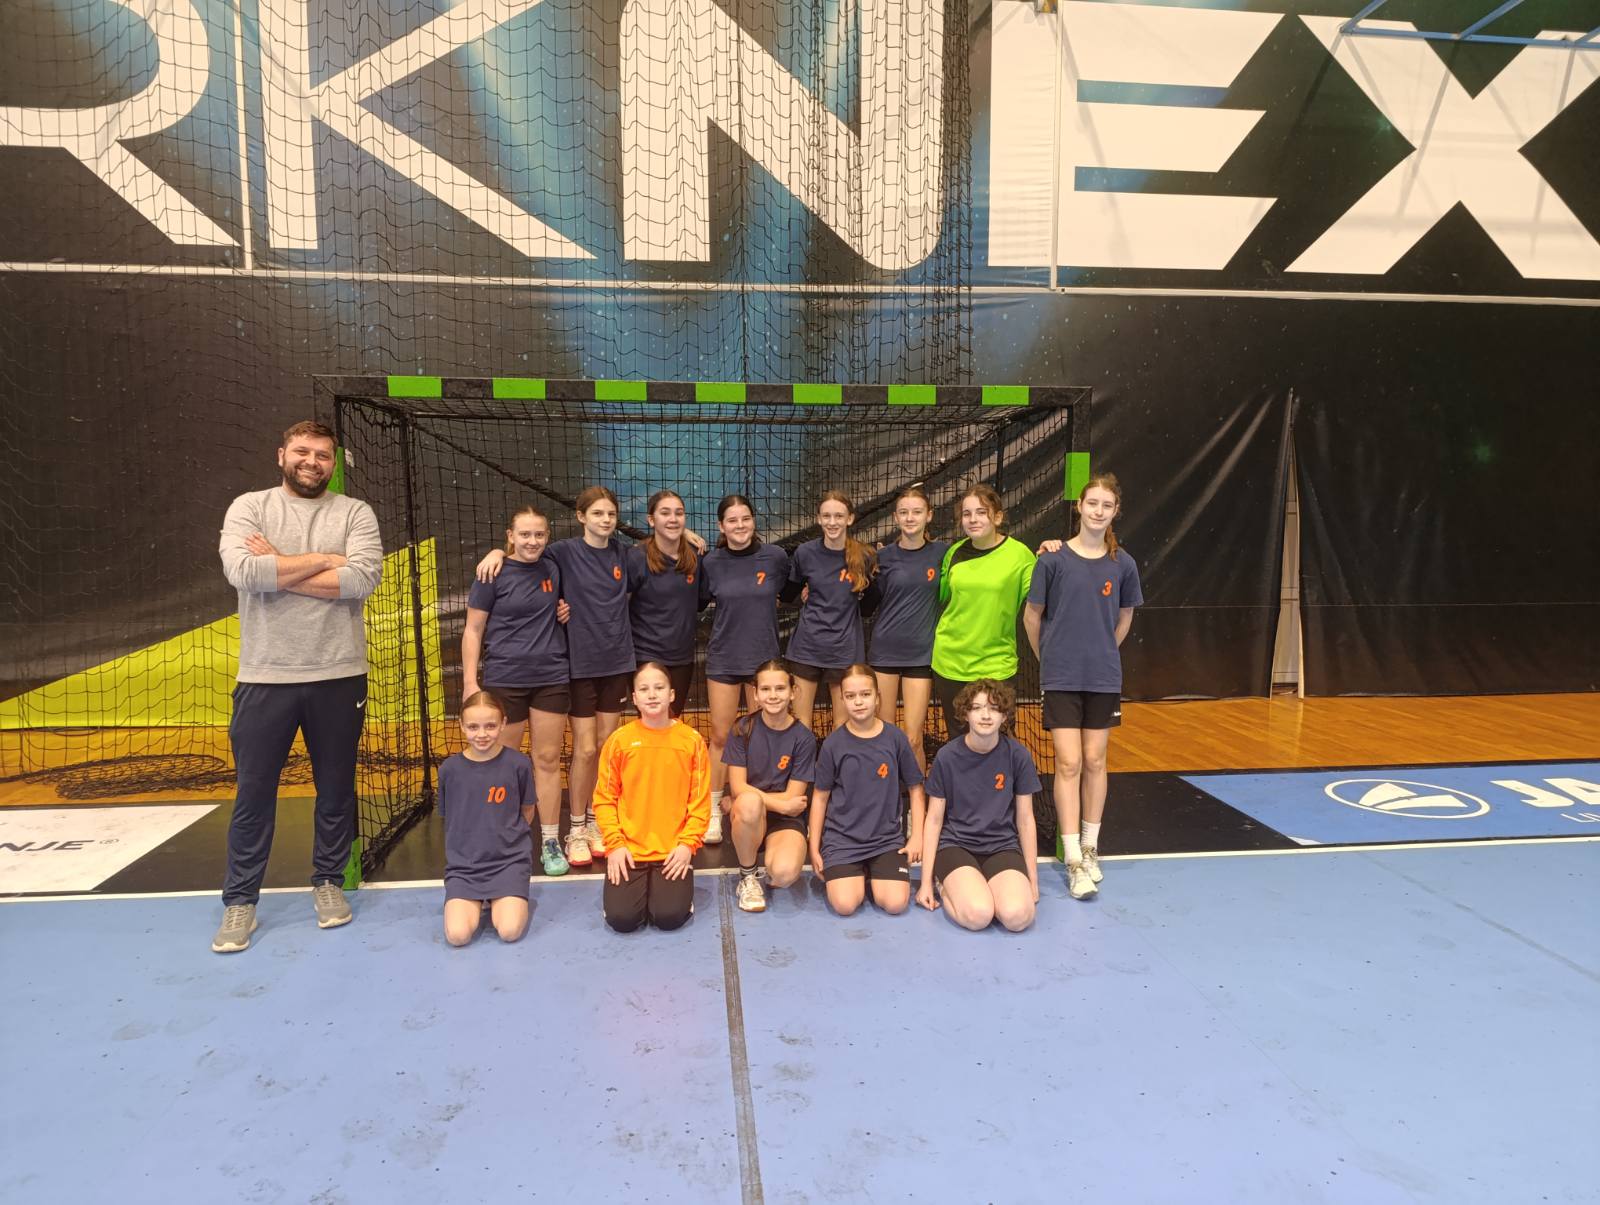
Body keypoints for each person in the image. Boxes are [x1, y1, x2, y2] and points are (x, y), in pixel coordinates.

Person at [212, 420, 383, 953]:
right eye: (302, 452)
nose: (312, 462)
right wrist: (324, 560)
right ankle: (241, 900)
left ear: (333, 463)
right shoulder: (250, 507)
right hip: (266, 676)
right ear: (281, 454)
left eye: (323, 455)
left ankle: (328, 881)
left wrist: (279, 566)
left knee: (336, 787)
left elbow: (360, 580)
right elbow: (245, 574)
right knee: (254, 793)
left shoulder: (354, 513)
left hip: (339, 674)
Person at [479, 486, 632, 869]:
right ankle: (561, 830)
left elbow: (660, 548)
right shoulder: (559, 553)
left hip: (607, 665)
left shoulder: (623, 554)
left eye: (611, 514)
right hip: (570, 667)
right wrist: (498, 552)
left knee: (597, 749)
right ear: (580, 517)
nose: (605, 520)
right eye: (597, 513)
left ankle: (591, 823)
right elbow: (521, 556)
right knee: (575, 751)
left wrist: (688, 536)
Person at [1024, 474, 1141, 900]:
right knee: (1069, 762)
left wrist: (1102, 652)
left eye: (1106, 505)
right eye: (1092, 503)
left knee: (1095, 760)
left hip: (1103, 677)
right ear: (1079, 505)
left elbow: (1125, 618)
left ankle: (1091, 848)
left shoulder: (1123, 564)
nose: (1098, 511)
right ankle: (1072, 857)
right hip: (1061, 677)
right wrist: (1050, 659)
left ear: (1115, 512)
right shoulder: (1052, 560)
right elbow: (1032, 617)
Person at [461, 505, 571, 877]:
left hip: (551, 676)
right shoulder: (491, 572)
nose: (532, 541)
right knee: (504, 763)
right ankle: (504, 841)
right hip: (505, 678)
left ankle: (551, 841)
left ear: (547, 537)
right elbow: (473, 630)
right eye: (524, 534)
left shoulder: (553, 567)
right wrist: (470, 683)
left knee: (547, 760)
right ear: (510, 536)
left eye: (539, 534)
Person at [699, 494, 793, 843]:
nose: (740, 526)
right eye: (732, 520)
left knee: (761, 738)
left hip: (763, 662)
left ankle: (757, 806)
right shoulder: (711, 562)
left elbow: (793, 591)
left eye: (745, 519)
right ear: (721, 526)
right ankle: (713, 809)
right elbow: (696, 601)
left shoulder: (776, 557)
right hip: (724, 658)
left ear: (754, 521)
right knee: (721, 737)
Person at [593, 663, 712, 932]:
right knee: (622, 920)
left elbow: (700, 802)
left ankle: (677, 894)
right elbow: (604, 799)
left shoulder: (691, 741)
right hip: (629, 850)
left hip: (672, 850)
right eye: (644, 689)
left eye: (659, 687)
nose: (652, 694)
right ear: (635, 698)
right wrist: (615, 845)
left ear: (671, 694)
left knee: (669, 917)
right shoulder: (619, 741)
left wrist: (687, 845)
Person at [916, 681, 1041, 931]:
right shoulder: (947, 757)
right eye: (977, 708)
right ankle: (946, 884)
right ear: (965, 714)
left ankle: (986, 888)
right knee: (978, 916)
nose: (985, 715)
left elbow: (1026, 820)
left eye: (994, 708)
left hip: (1001, 846)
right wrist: (925, 882)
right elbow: (934, 820)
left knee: (1018, 918)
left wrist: (1033, 880)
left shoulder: (1017, 755)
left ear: (1004, 716)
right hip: (956, 846)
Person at [809, 666, 925, 917]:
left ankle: (873, 872)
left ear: (877, 697)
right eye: (851, 696)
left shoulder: (895, 738)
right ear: (842, 700)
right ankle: (857, 873)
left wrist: (917, 836)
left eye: (865, 694)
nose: (858, 702)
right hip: (842, 841)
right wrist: (814, 847)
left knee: (896, 904)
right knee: (845, 905)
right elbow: (819, 797)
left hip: (885, 840)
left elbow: (916, 789)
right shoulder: (833, 744)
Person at [931, 485, 1037, 737]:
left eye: (981, 512)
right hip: (950, 662)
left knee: (999, 743)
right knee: (959, 744)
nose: (973, 519)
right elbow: (943, 598)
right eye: (967, 514)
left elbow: (1042, 599)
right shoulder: (954, 553)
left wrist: (1054, 555)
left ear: (997, 517)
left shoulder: (1020, 555)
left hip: (996, 665)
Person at [438, 693, 534, 946]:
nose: (482, 734)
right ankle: (476, 900)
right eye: (473, 727)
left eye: (490, 726)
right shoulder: (449, 770)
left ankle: (505, 896)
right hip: (465, 868)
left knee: (509, 931)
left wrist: (508, 843)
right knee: (457, 936)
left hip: (508, 864)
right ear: (461, 725)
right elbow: (450, 818)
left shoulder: (519, 764)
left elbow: (527, 811)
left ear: (503, 723)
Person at [725, 660, 817, 913]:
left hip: (785, 820)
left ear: (793, 692)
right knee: (749, 802)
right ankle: (748, 876)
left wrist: (782, 807)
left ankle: (771, 856)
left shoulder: (804, 738)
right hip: (750, 813)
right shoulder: (742, 728)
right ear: (755, 694)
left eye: (780, 688)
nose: (773, 695)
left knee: (784, 875)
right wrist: (781, 805)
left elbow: (794, 796)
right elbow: (738, 786)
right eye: (765, 689)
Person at [869, 487, 949, 774]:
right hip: (885, 652)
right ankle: (887, 795)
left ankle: (918, 798)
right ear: (895, 517)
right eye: (904, 512)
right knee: (885, 736)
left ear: (929, 515)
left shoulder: (943, 553)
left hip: (921, 655)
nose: (910, 517)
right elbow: (867, 604)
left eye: (917, 512)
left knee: (913, 738)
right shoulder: (883, 556)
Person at [786, 491, 877, 731]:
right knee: (801, 725)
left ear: (850, 519)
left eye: (839, 516)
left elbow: (869, 605)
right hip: (807, 647)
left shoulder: (864, 556)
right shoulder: (805, 553)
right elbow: (789, 592)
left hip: (844, 650)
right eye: (826, 516)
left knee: (843, 726)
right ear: (818, 519)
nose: (832, 522)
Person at [626, 490, 706, 717]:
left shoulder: (696, 556)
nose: (673, 518)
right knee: (651, 721)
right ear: (651, 519)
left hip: (682, 657)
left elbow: (701, 601)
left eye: (679, 513)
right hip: (645, 655)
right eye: (665, 513)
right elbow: (618, 605)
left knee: (671, 720)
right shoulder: (636, 558)